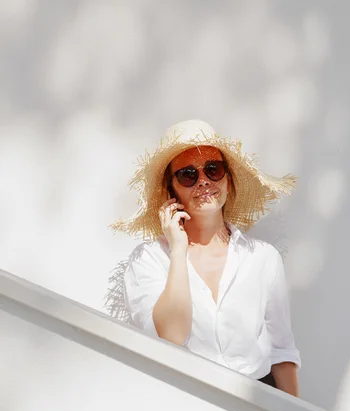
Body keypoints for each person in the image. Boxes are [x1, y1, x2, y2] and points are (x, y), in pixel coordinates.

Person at [111, 120, 301, 396]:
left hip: (257, 406)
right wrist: (178, 250)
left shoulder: (263, 258)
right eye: (188, 174)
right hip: (184, 403)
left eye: (213, 169)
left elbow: (281, 352)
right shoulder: (149, 260)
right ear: (171, 190)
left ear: (228, 179)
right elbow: (172, 337)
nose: (203, 181)